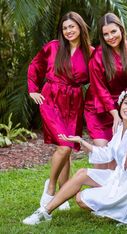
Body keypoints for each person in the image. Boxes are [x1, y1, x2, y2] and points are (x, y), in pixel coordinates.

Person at [23, 89, 127, 226]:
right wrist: (81, 141)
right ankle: (44, 211)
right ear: (120, 105)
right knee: (82, 173)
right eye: (126, 103)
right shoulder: (121, 128)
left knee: (81, 199)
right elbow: (108, 153)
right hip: (120, 177)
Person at [27, 11, 93, 210]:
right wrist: (32, 90)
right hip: (51, 99)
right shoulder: (53, 47)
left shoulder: (90, 52)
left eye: (72, 26)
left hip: (73, 102)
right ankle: (50, 188)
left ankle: (64, 190)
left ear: (80, 27)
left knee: (68, 148)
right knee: (64, 146)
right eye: (65, 28)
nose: (68, 31)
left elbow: (98, 78)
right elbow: (35, 65)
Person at [84, 13, 127, 169]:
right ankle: (90, 193)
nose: (110, 37)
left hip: (122, 106)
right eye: (106, 34)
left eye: (113, 31)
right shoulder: (98, 55)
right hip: (98, 108)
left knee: (116, 160)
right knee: (102, 156)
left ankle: (110, 192)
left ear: (121, 29)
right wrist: (114, 113)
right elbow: (98, 88)